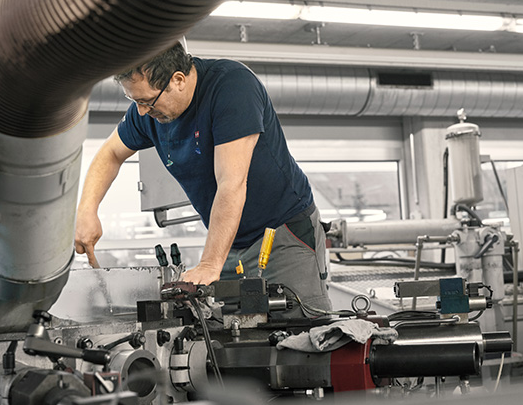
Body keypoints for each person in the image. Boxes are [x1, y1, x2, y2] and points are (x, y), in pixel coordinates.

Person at [74, 41, 332, 317]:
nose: (141, 111)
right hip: (229, 240)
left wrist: (210, 263)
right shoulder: (149, 113)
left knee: (299, 332)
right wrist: (86, 210)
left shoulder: (232, 88)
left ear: (178, 80)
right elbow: (110, 153)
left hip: (281, 232)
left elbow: (231, 185)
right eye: (135, 101)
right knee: (233, 335)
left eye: (147, 101)